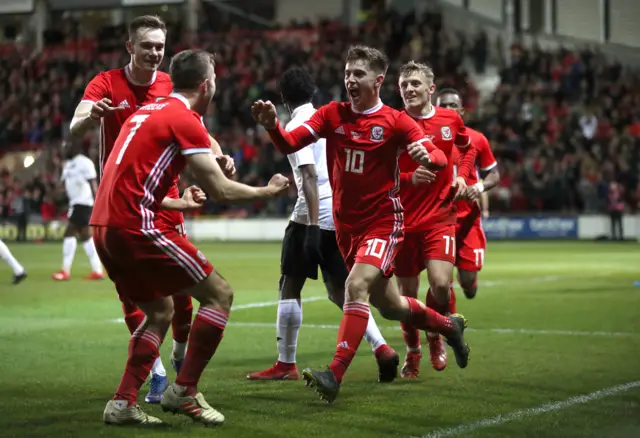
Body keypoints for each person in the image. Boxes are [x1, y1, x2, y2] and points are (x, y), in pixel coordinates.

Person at [251, 45, 470, 404]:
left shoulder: (396, 121)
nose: (350, 80)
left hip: (384, 222)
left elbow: (439, 156)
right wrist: (273, 126)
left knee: (354, 288)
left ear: (378, 80)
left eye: (359, 74)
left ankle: (333, 374)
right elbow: (291, 143)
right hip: (347, 229)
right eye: (347, 73)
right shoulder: (332, 114)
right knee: (391, 306)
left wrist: (425, 154)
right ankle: (449, 327)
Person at [93, 49, 290, 426]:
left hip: (104, 227)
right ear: (206, 85)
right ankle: (184, 390)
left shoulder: (145, 112)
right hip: (137, 226)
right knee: (220, 295)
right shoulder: (184, 118)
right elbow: (219, 190)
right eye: (214, 77)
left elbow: (129, 179)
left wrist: (177, 202)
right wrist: (267, 191)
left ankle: (122, 402)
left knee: (160, 311)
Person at [69, 15, 235, 403]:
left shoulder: (168, 85)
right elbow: (77, 120)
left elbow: (195, 127)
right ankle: (156, 373)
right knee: (136, 297)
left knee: (179, 290)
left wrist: (218, 154)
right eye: (147, 46)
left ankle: (178, 358)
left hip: (164, 198)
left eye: (160, 46)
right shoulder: (106, 83)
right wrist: (90, 116)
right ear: (130, 47)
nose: (155, 53)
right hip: (123, 202)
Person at [247, 68, 399, 383]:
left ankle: (285, 363)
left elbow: (308, 176)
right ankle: (382, 348)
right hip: (338, 212)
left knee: (290, 283)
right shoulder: (324, 118)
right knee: (339, 291)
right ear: (313, 92)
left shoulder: (296, 124)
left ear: (284, 97)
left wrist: (313, 228)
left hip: (311, 215)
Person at [394, 62, 477, 378]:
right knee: (407, 295)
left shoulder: (450, 119)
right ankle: (413, 351)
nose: (409, 89)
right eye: (404, 85)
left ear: (431, 89)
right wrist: (408, 178)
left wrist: (463, 178)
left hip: (441, 216)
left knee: (441, 285)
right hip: (402, 219)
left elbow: (467, 150)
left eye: (415, 83)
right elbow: (381, 174)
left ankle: (435, 337)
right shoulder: (393, 122)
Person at [437, 88, 500, 299]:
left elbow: (494, 174)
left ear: (461, 111)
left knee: (467, 282)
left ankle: (469, 283)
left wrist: (479, 188)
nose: (447, 109)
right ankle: (449, 328)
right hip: (439, 220)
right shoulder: (426, 139)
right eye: (442, 105)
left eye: (452, 105)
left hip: (468, 220)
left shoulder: (477, 139)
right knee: (442, 282)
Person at [51, 140, 104, 281]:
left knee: (69, 233)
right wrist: (57, 167)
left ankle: (65, 271)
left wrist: (98, 205)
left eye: (66, 147)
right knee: (86, 237)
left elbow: (93, 183)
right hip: (75, 204)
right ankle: (97, 270)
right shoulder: (67, 165)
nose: (64, 151)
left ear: (75, 148)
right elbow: (62, 186)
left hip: (83, 203)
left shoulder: (85, 162)